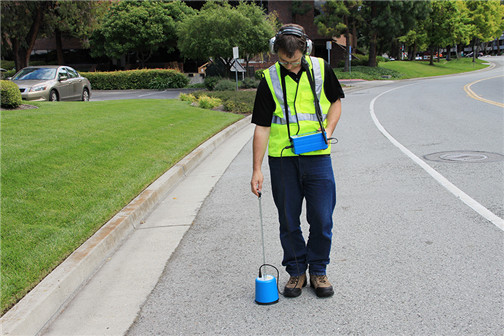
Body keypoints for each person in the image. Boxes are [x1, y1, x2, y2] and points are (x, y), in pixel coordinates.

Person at [250, 24, 344, 298]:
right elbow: (262, 127)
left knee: (322, 218)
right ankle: (296, 272)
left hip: (317, 157)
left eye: (294, 60)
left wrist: (328, 131)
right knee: (288, 220)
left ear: (305, 50)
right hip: (282, 161)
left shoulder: (320, 69)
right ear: (275, 52)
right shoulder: (269, 79)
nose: (289, 66)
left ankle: (318, 270)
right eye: (283, 60)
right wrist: (256, 169)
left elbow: (336, 102)